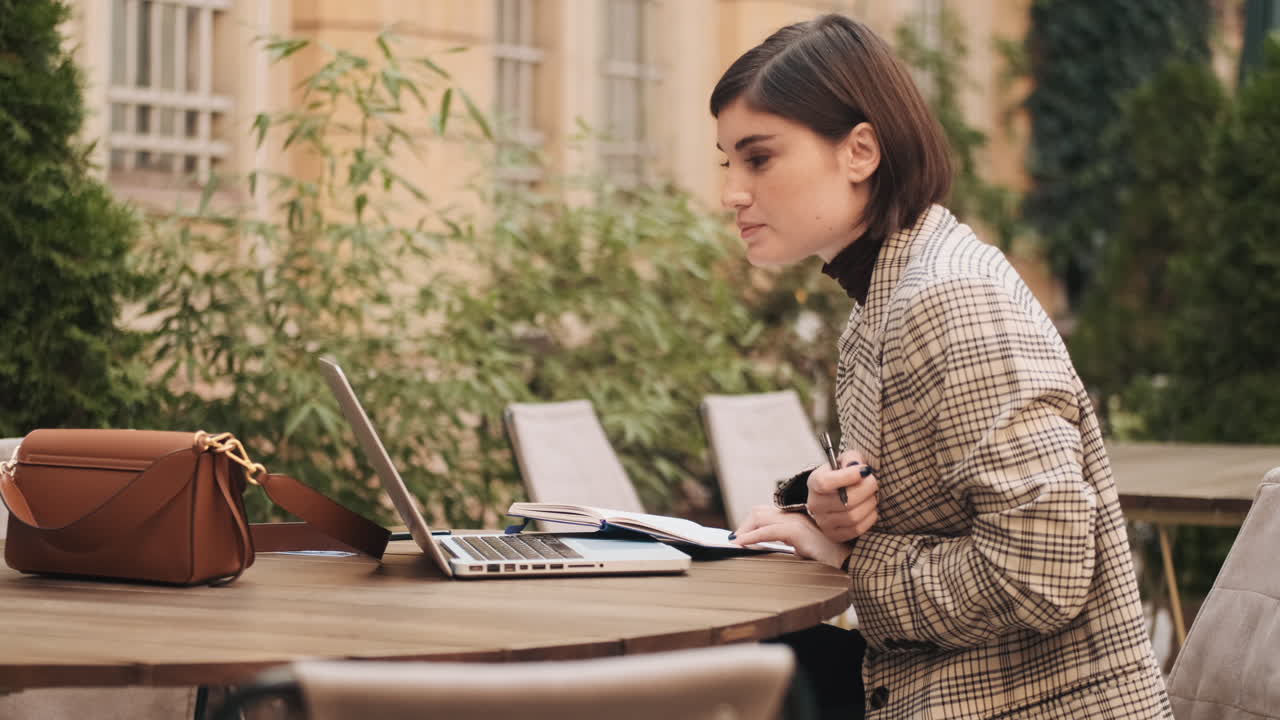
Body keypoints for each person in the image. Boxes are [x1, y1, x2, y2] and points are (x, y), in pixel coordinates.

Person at [716, 14, 1172, 720]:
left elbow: (1040, 574)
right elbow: (942, 505)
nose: (733, 193)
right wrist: (825, 508)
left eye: (760, 159)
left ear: (859, 151)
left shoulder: (950, 298)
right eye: (728, 163)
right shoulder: (887, 296)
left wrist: (850, 562)